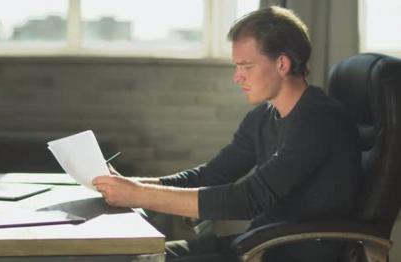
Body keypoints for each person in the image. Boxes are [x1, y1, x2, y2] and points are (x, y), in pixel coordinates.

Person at [93, 6, 361, 262]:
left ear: (282, 64)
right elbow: (211, 176)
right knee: (137, 257)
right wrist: (128, 185)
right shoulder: (263, 117)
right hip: (256, 243)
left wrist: (137, 195)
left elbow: (250, 199)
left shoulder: (320, 119)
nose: (237, 77)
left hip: (286, 252)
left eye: (246, 66)